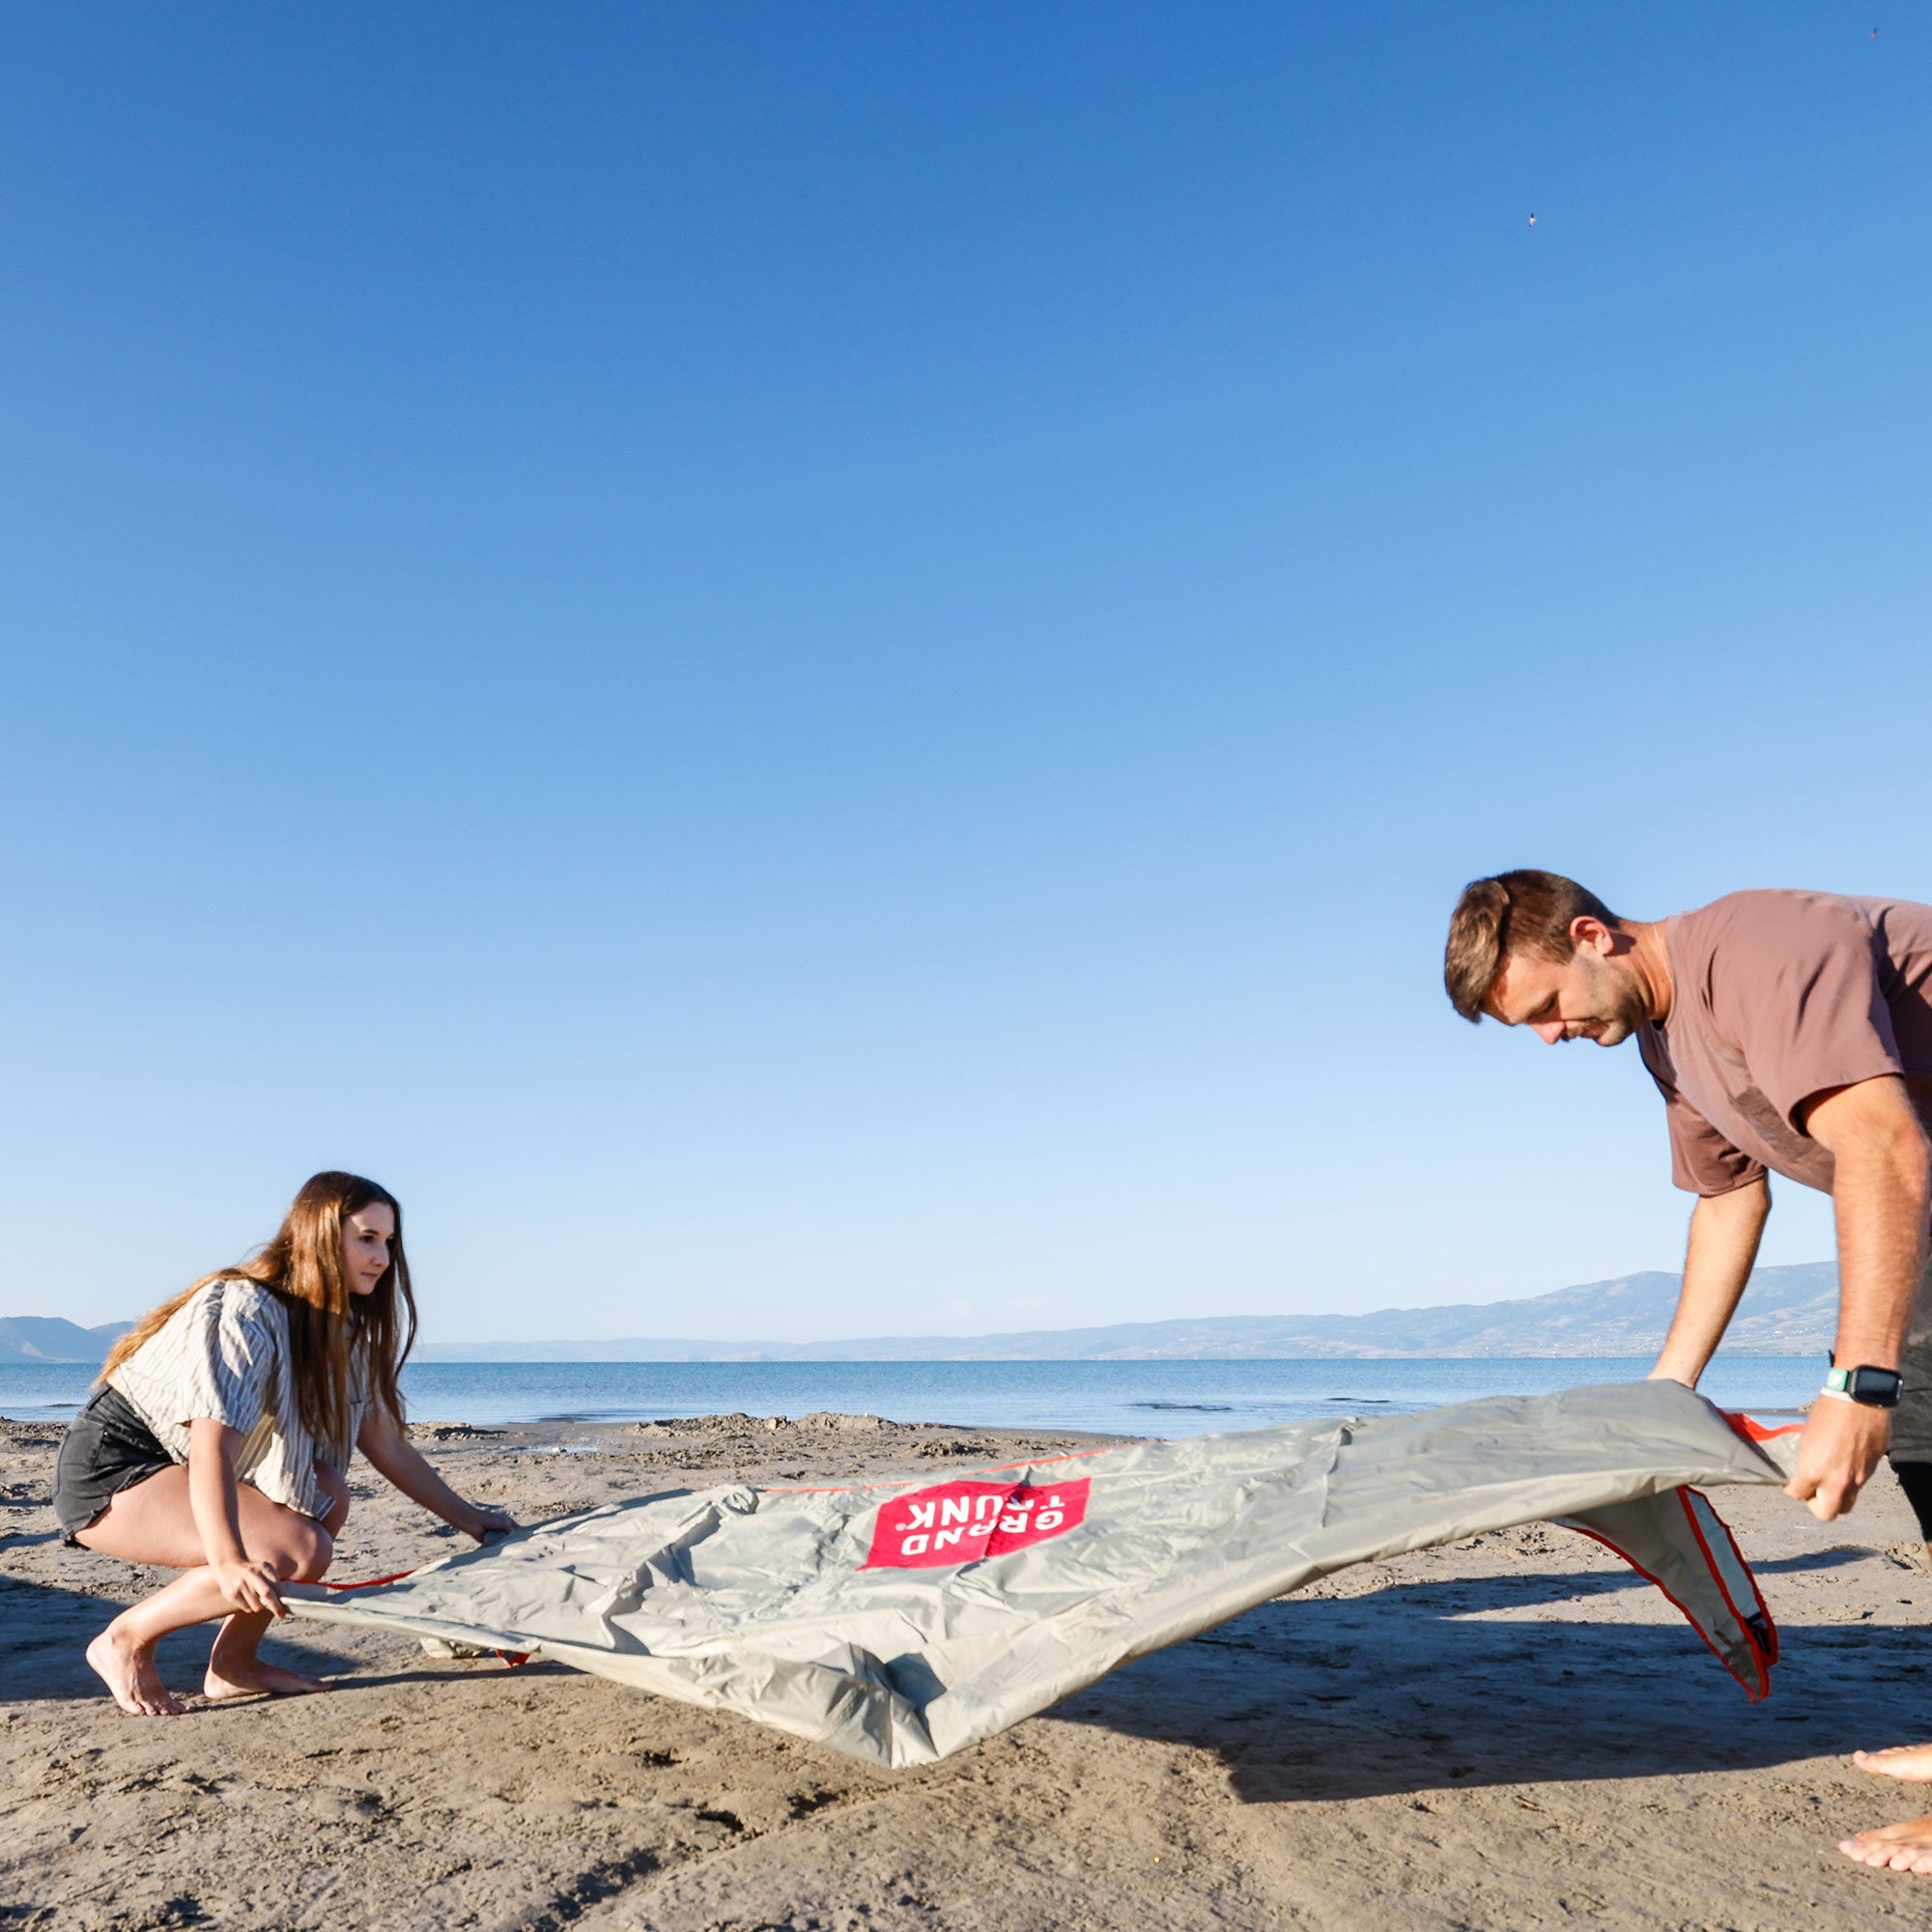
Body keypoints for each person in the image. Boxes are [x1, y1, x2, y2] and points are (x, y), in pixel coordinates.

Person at [1442, 872, 1932, 1875]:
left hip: (1910, 1180)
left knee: (1905, 1418)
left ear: (1592, 935)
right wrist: (1663, 1393)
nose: (1547, 1037)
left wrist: (1858, 1381)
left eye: (1545, 1007)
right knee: (1928, 1461)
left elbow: (1880, 1142)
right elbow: (1725, 1203)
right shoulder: (1669, 1042)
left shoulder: (1758, 946)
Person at [55, 1170, 515, 1717]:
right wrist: (229, 1561)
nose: (383, 1259)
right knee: (296, 1547)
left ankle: (234, 1664)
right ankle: (125, 1639)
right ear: (319, 1235)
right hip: (113, 1469)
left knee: (327, 1492)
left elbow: (386, 1446)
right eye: (366, 1238)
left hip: (180, 1464)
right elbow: (211, 1449)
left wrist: (472, 1519)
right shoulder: (244, 1307)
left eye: (389, 1243)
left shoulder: (340, 1331)